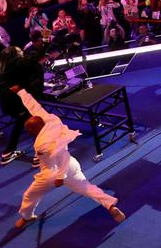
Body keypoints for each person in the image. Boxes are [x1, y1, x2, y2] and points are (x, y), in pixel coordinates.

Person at [11, 87, 126, 228]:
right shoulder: (50, 120)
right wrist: (21, 92)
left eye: (29, 129)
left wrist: (60, 176)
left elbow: (61, 155)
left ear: (35, 129)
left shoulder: (42, 143)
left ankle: (26, 217)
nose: (27, 131)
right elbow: (34, 106)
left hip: (52, 173)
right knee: (87, 188)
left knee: (30, 196)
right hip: (71, 166)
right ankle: (110, 206)